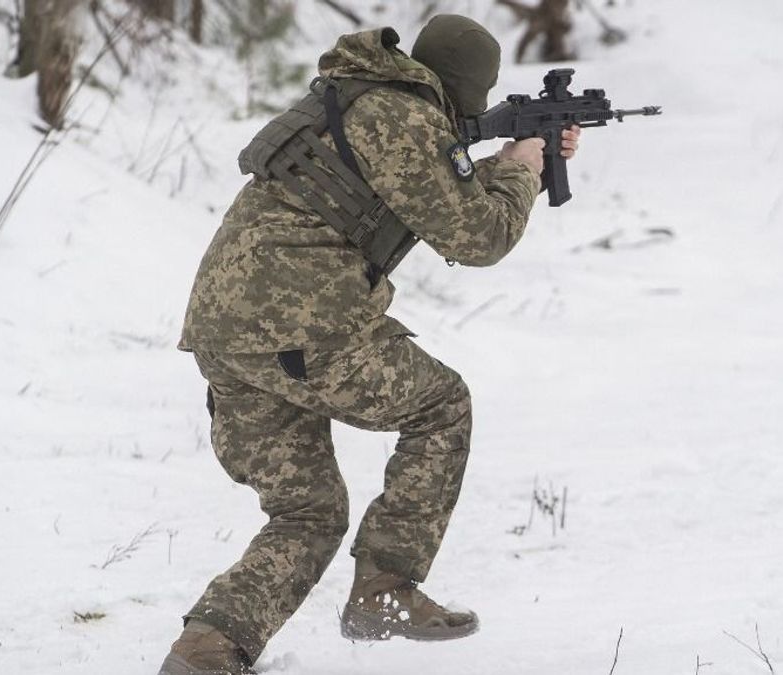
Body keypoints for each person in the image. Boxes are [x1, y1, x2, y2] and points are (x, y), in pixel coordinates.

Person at [160, 14, 581, 675]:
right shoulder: (404, 118)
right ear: (472, 87)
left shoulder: (358, 93)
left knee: (309, 510)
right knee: (442, 405)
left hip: (227, 328)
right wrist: (523, 169)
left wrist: (499, 161)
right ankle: (384, 591)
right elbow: (479, 237)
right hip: (295, 321)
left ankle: (206, 652)